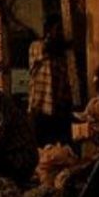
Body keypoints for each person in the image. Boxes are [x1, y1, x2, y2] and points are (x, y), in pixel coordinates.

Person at [29, 15, 73, 146]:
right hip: (40, 107)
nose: (60, 32)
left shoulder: (62, 56)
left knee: (57, 148)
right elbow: (46, 48)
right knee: (41, 147)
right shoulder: (36, 46)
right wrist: (66, 44)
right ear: (48, 31)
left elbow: (64, 82)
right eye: (57, 29)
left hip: (57, 108)